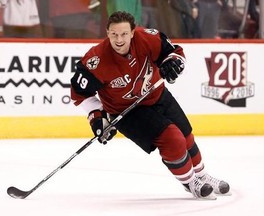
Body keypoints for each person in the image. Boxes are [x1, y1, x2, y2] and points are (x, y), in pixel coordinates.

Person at [70, 11, 231, 199]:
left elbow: (175, 52)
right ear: (107, 33)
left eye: (123, 34)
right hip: (127, 112)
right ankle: (190, 182)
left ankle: (202, 176)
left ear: (132, 32)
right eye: (114, 34)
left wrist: (172, 63)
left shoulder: (147, 38)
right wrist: (97, 118)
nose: (119, 39)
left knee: (186, 135)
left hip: (158, 95)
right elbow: (79, 94)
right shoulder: (95, 60)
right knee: (174, 139)